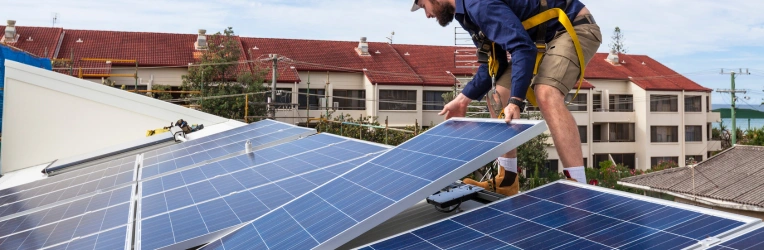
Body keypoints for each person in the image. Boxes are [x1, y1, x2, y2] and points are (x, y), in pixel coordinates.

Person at [412, 0, 601, 196]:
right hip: (538, 39)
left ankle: (578, 189)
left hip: (572, 26)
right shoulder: (466, 15)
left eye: (422, 5)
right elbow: (494, 64)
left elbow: (522, 48)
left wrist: (516, 101)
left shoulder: (478, 5)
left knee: (546, 92)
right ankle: (507, 180)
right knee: (497, 95)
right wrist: (462, 100)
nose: (427, 15)